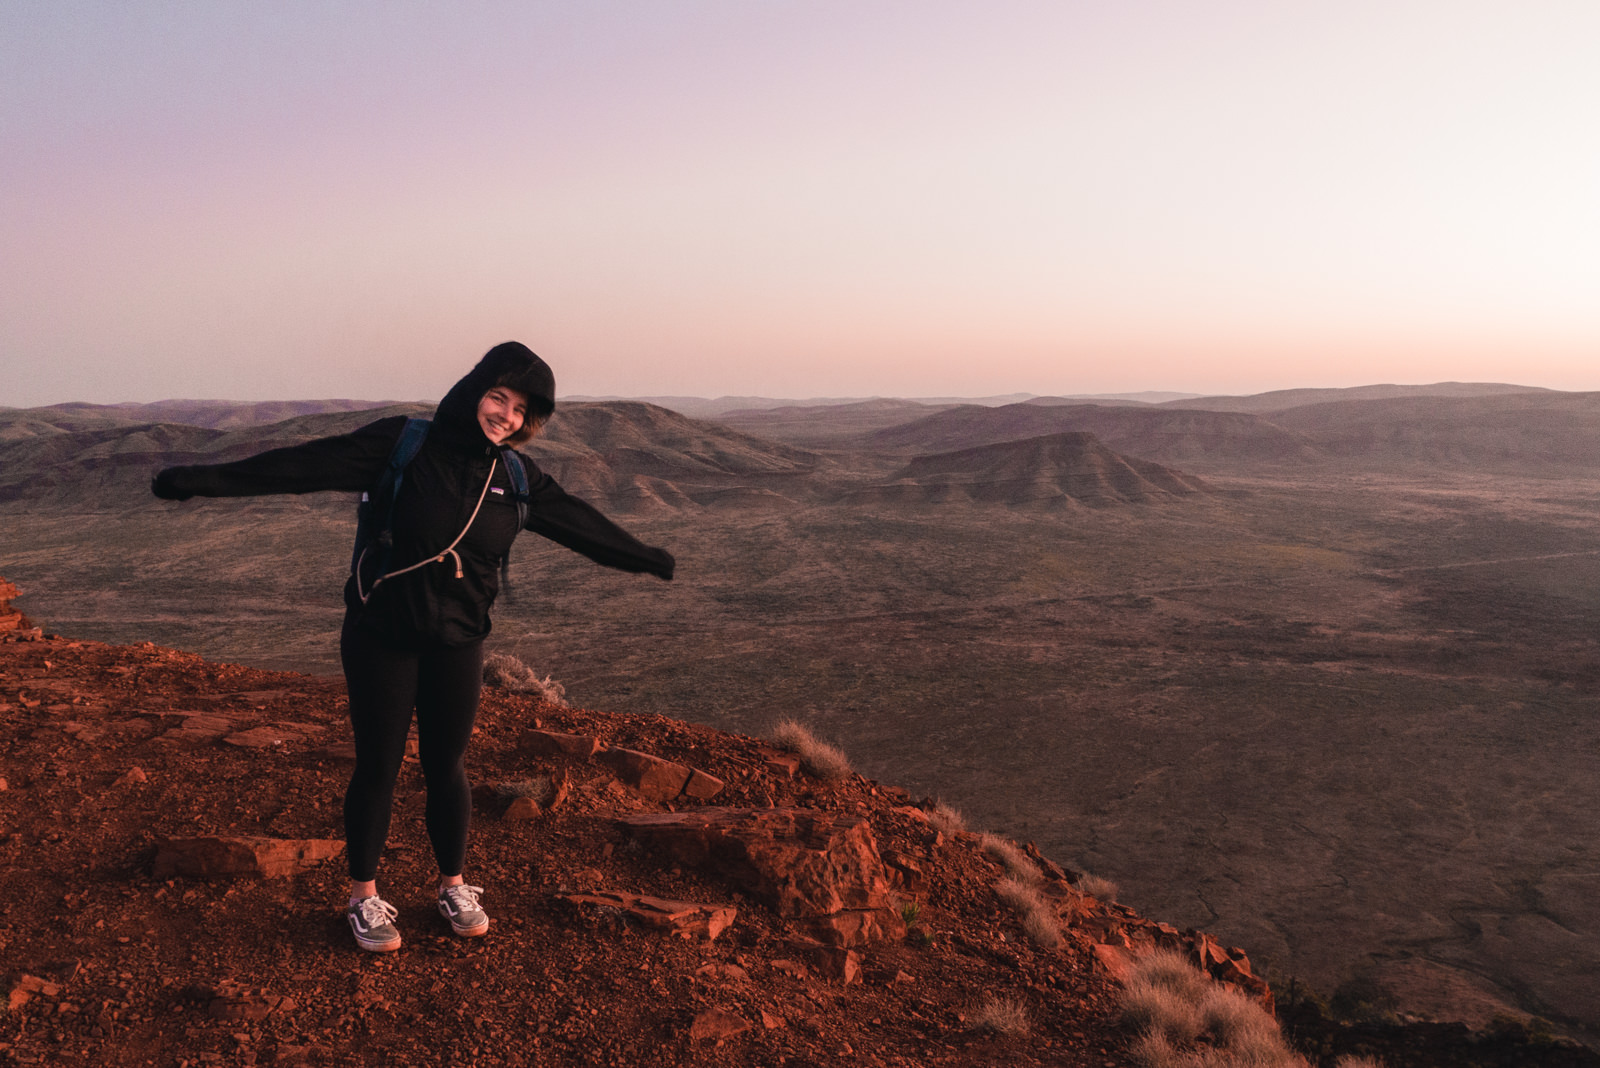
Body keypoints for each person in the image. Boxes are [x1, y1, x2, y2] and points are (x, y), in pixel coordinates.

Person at [151, 342, 674, 952]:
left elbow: (582, 525)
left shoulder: (516, 477)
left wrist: (648, 560)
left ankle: (453, 884)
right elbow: (299, 466)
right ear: (473, 390)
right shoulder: (403, 445)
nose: (504, 414)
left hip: (459, 643)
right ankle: (363, 897)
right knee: (380, 766)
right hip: (383, 638)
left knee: (447, 767)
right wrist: (194, 482)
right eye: (497, 396)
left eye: (519, 409)